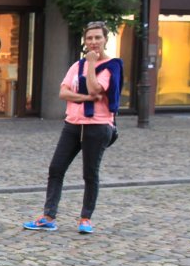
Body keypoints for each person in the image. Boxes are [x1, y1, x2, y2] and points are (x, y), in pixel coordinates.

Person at [23, 22, 122, 235]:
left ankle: (86, 218)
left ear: (105, 39)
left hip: (98, 125)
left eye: (97, 37)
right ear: (85, 41)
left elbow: (96, 88)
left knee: (90, 173)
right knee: (56, 168)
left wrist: (92, 64)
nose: (93, 42)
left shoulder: (111, 66)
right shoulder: (77, 66)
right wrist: (85, 97)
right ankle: (49, 216)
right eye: (89, 38)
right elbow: (64, 93)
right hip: (73, 124)